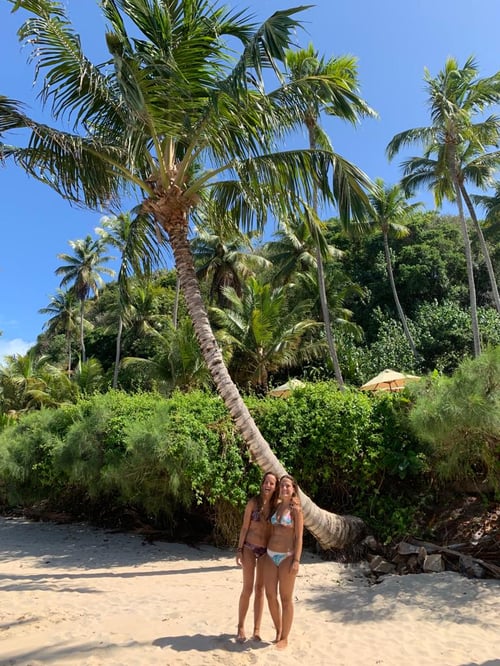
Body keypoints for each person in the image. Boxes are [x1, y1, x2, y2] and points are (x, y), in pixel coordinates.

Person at [235, 471, 279, 643]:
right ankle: (240, 627)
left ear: (275, 487)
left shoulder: (277, 506)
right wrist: (239, 549)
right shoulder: (253, 503)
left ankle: (257, 630)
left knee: (260, 589)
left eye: (271, 483)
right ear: (262, 484)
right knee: (247, 588)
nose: (268, 485)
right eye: (266, 482)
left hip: (265, 551)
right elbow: (244, 528)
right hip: (248, 548)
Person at [264, 474, 303, 650]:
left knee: (286, 598)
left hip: (287, 557)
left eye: (288, 486)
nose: (285, 489)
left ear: (293, 489)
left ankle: (285, 637)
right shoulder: (277, 506)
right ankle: (279, 630)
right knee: (270, 595)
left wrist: (296, 560)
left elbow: (299, 537)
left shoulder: (296, 510)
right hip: (271, 555)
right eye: (282, 486)